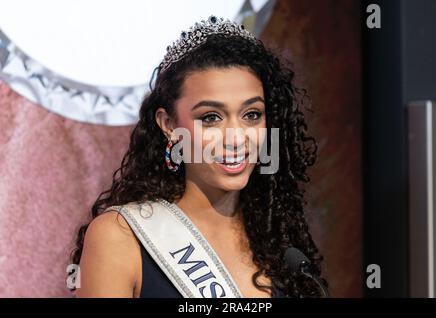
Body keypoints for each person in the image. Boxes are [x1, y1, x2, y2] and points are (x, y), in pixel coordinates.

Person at [70, 15, 327, 298]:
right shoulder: (120, 237)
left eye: (251, 115)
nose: (236, 137)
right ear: (169, 125)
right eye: (211, 117)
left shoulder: (280, 244)